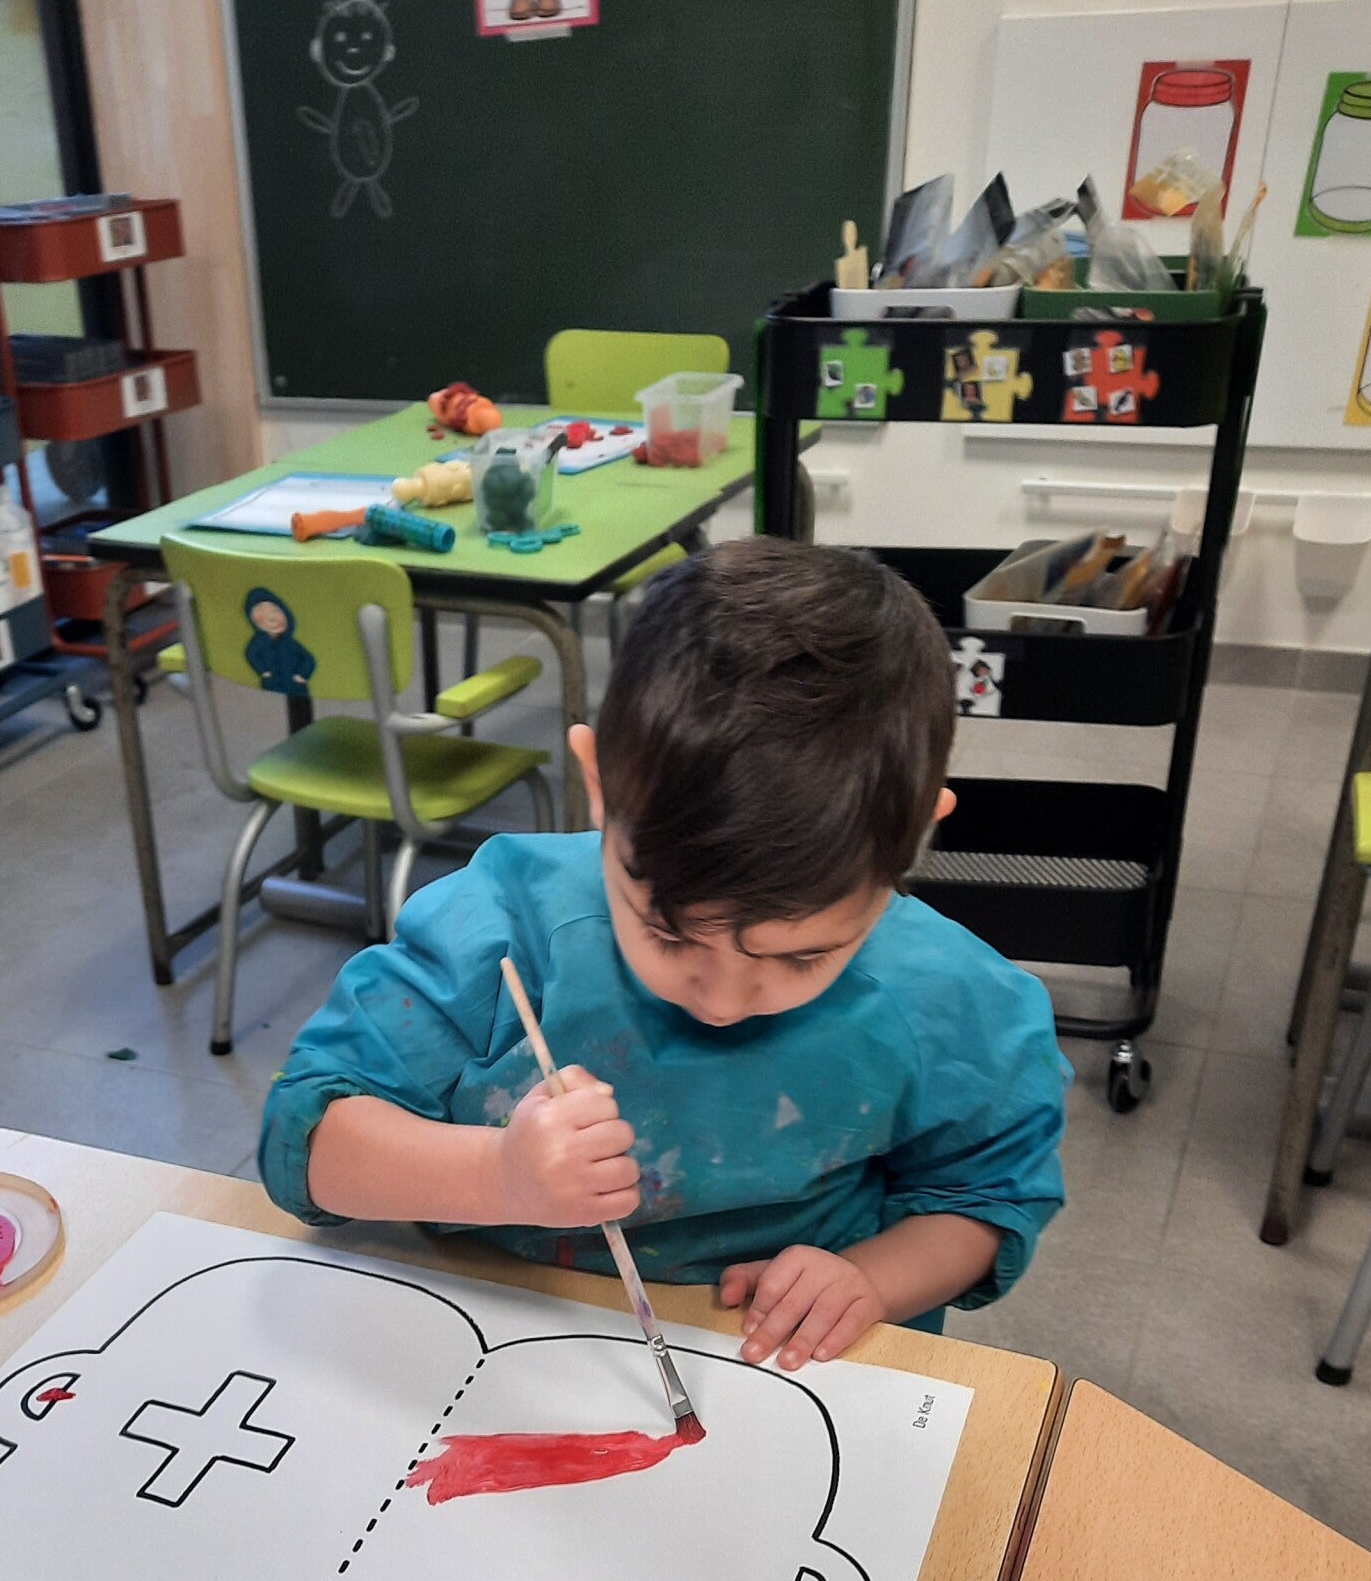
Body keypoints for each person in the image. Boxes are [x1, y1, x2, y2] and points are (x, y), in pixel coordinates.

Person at [259, 538, 1068, 1369]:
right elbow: (305, 1141)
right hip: (487, 1342)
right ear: (600, 786)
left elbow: (986, 1195)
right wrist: (498, 1175)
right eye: (671, 935)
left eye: (800, 959)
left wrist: (872, 1279)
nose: (720, 1001)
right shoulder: (500, 927)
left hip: (772, 1371)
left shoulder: (951, 999)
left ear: (913, 840)